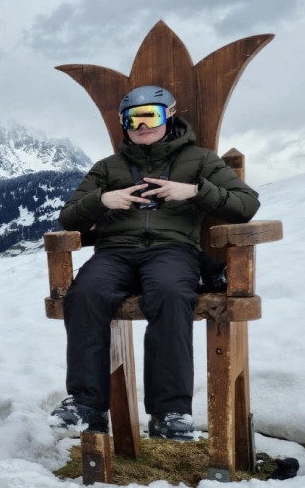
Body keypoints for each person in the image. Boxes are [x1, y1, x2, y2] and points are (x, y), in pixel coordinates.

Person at [49, 86, 260, 440]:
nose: (143, 125)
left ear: (170, 116)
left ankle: (170, 412)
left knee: (171, 295)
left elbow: (246, 205)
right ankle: (86, 405)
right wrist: (102, 200)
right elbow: (69, 217)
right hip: (114, 252)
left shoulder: (201, 160)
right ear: (124, 124)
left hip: (172, 251)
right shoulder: (108, 168)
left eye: (152, 115)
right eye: (134, 118)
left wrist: (194, 191)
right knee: (85, 294)